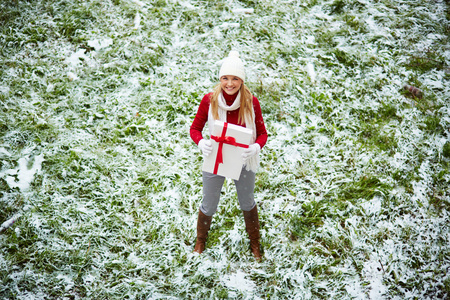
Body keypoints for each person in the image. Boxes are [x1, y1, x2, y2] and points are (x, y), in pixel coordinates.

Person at [190, 50, 268, 261]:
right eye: (225, 78)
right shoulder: (210, 100)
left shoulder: (251, 102)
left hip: (242, 159)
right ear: (220, 79)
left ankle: (254, 243)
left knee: (246, 200)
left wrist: (256, 148)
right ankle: (200, 241)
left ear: (242, 80)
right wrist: (201, 142)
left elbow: (262, 134)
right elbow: (195, 128)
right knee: (210, 201)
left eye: (235, 78)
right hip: (216, 157)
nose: (230, 83)